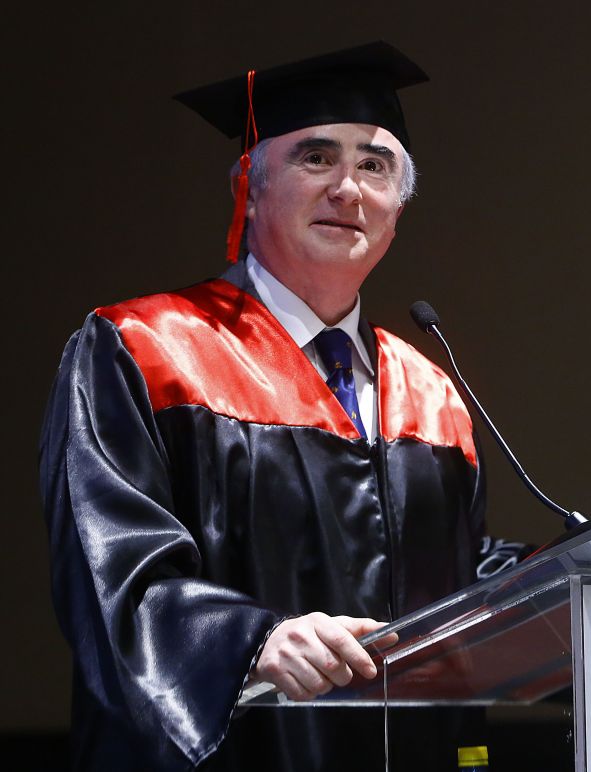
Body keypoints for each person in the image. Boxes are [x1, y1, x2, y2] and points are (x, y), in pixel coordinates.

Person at [40, 42, 506, 771]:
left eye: (375, 166)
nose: (348, 189)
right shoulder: (145, 350)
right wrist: (249, 641)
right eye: (316, 158)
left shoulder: (430, 392)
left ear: (397, 210)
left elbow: (455, 578)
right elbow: (111, 575)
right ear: (249, 189)